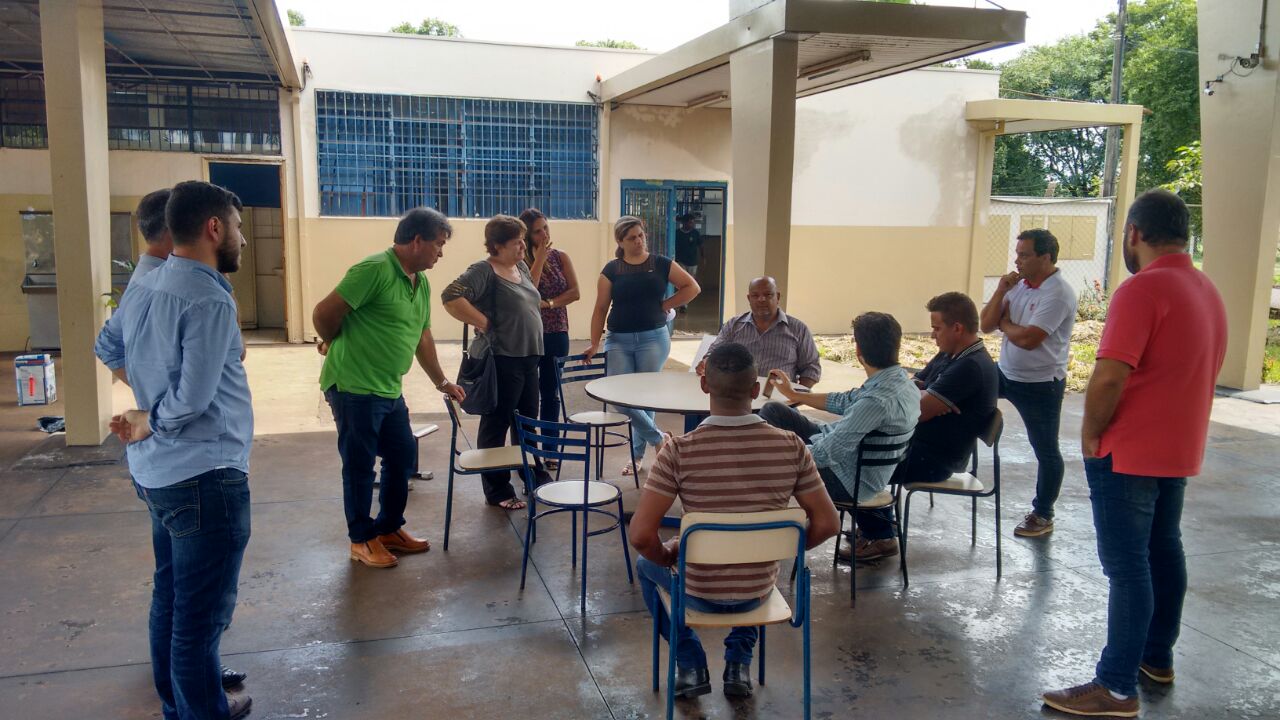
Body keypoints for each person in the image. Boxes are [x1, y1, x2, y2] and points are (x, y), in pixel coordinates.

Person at [1043, 190, 1226, 718]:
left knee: (1127, 568)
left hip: (1129, 453)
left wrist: (1091, 434)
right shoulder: (1206, 289)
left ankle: (1116, 687)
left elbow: (1109, 375)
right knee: (1164, 552)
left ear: (1134, 234)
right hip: (1178, 448)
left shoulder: (1141, 290)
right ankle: (1156, 657)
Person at [96, 180, 254, 719]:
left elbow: (107, 343)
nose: (242, 240)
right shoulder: (208, 296)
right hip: (204, 475)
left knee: (171, 600)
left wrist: (143, 405)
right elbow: (191, 400)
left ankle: (182, 706)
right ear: (214, 228)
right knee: (200, 622)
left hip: (160, 475)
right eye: (237, 227)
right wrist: (154, 417)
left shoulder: (147, 284)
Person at [629, 342, 839, 699]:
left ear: (704, 385)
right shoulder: (791, 446)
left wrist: (669, 556)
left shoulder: (679, 451)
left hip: (697, 592)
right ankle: (739, 663)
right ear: (755, 391)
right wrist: (778, 545)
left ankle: (690, 662)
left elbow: (640, 536)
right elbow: (828, 524)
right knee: (754, 556)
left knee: (644, 565)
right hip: (757, 591)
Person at [313, 207, 465, 569]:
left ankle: (388, 528)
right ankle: (361, 540)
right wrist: (333, 339)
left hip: (388, 389)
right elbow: (323, 314)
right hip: (353, 387)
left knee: (401, 457)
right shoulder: (374, 269)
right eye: (438, 245)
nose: (440, 253)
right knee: (360, 465)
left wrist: (441, 381)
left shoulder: (420, 281)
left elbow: (422, 336)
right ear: (416, 241)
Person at [846, 292, 998, 562]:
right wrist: (922, 393)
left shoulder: (971, 366)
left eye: (936, 328)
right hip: (917, 446)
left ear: (958, 328)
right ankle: (875, 525)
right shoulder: (949, 356)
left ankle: (881, 535)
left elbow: (914, 411)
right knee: (859, 448)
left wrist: (919, 396)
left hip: (936, 459)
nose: (932, 336)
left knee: (853, 460)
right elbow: (908, 385)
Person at [760, 311, 920, 533]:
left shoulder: (876, 402)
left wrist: (778, 455)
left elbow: (826, 454)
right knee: (774, 411)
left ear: (858, 351)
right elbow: (844, 400)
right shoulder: (902, 382)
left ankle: (757, 523)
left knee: (766, 459)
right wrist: (795, 394)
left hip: (848, 480)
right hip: (855, 463)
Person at [443, 214, 550, 510]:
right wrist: (483, 321)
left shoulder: (520, 267)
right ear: (498, 245)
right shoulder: (484, 270)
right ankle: (497, 489)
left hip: (529, 356)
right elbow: (451, 296)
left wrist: (536, 260)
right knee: (497, 423)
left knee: (527, 421)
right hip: (503, 358)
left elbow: (531, 294)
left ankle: (532, 473)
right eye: (517, 242)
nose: (521, 247)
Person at [980, 228, 1078, 538]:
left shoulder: (1058, 292)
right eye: (1017, 253)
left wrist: (1005, 323)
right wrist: (1000, 292)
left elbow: (1029, 340)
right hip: (1005, 372)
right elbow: (985, 324)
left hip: (1040, 383)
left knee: (1045, 449)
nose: (1017, 260)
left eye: (1024, 254)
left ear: (1046, 258)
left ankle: (1043, 513)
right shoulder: (1018, 286)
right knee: (955, 389)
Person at [584, 215, 700, 474]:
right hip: (618, 338)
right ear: (620, 241)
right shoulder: (611, 270)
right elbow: (600, 308)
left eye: (640, 236)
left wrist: (665, 305)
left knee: (644, 398)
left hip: (653, 338)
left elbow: (691, 287)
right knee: (617, 395)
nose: (638, 241)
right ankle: (659, 438)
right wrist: (594, 343)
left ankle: (636, 458)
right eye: (631, 238)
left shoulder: (660, 264)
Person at [521, 208, 580, 467]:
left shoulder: (561, 256)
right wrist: (539, 259)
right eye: (537, 230)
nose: (544, 234)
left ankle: (550, 450)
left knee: (550, 392)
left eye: (546, 227)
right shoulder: (519, 260)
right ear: (526, 235)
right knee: (527, 395)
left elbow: (575, 292)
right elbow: (527, 292)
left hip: (556, 333)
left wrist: (549, 304)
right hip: (527, 336)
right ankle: (528, 451)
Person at [697, 276, 822, 388]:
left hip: (779, 402)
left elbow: (811, 368)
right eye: (755, 295)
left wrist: (796, 397)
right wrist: (706, 362)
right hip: (736, 399)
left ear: (777, 297)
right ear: (749, 298)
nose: (761, 300)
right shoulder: (734, 325)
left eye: (768, 295)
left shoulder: (798, 329)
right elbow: (714, 353)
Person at [673, 213, 703, 311]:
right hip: (681, 261)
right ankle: (683, 305)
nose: (691, 225)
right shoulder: (677, 233)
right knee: (682, 283)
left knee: (691, 283)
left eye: (692, 223)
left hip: (693, 262)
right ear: (684, 223)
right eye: (690, 222)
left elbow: (700, 246)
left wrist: (703, 257)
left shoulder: (695, 233)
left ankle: (685, 301)